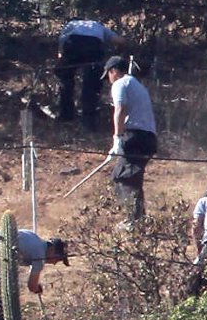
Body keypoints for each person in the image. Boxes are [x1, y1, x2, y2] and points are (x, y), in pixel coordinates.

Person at [102, 55, 157, 227]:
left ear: (114, 71)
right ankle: (138, 218)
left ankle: (134, 220)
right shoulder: (137, 85)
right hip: (148, 137)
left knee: (124, 177)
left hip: (135, 136)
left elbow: (120, 108)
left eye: (108, 75)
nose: (108, 80)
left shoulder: (120, 83)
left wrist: (117, 139)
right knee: (131, 177)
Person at [55, 18, 125, 131]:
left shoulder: (71, 24)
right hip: (94, 46)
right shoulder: (97, 25)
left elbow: (63, 38)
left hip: (74, 44)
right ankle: (89, 121)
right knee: (91, 85)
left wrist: (61, 55)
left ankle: (66, 116)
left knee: (65, 80)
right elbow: (119, 40)